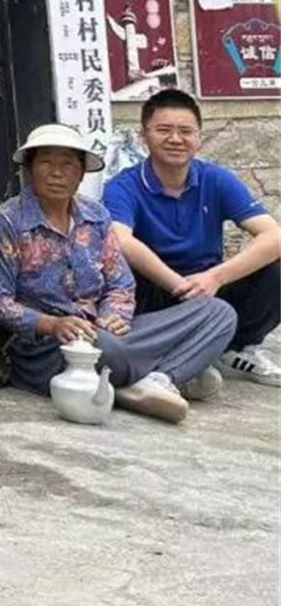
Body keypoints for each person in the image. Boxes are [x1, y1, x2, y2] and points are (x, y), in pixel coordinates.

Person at [0, 123, 236, 423]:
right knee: (104, 349)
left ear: (81, 173)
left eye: (67, 164)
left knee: (219, 313)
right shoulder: (6, 221)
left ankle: (155, 380)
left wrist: (113, 316)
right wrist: (51, 324)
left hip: (103, 332)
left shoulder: (96, 215)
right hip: (45, 349)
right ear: (29, 170)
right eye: (46, 163)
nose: (56, 173)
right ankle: (164, 373)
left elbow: (120, 283)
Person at [103, 88, 280, 387]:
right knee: (122, 268)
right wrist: (178, 284)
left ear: (199, 137)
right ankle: (178, 357)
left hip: (207, 284)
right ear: (144, 135)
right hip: (153, 289)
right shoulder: (123, 186)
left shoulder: (215, 178)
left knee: (275, 269)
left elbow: (273, 235)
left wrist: (215, 277)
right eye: (164, 130)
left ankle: (234, 348)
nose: (175, 139)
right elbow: (120, 240)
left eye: (185, 131)